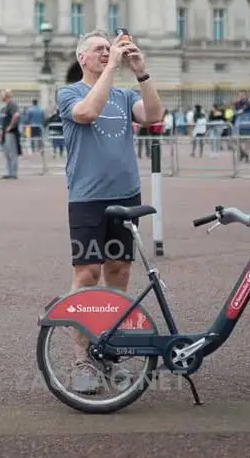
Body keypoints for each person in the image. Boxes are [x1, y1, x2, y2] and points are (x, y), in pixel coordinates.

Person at [56, 29, 164, 394]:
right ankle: (81, 358)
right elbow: (87, 113)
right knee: (86, 274)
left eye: (109, 48)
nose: (107, 52)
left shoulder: (124, 94)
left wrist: (141, 71)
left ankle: (112, 352)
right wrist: (112, 68)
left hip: (125, 197)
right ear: (82, 59)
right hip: (87, 199)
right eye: (99, 49)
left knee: (118, 273)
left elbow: (153, 115)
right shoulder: (70, 92)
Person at [0, 89, 21, 180]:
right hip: (6, 133)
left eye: (1, 94)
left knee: (12, 153)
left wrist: (10, 127)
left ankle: (13, 173)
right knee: (7, 153)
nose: (0, 96)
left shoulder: (12, 104)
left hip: (11, 133)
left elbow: (16, 115)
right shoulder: (7, 106)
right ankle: (8, 172)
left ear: (6, 96)